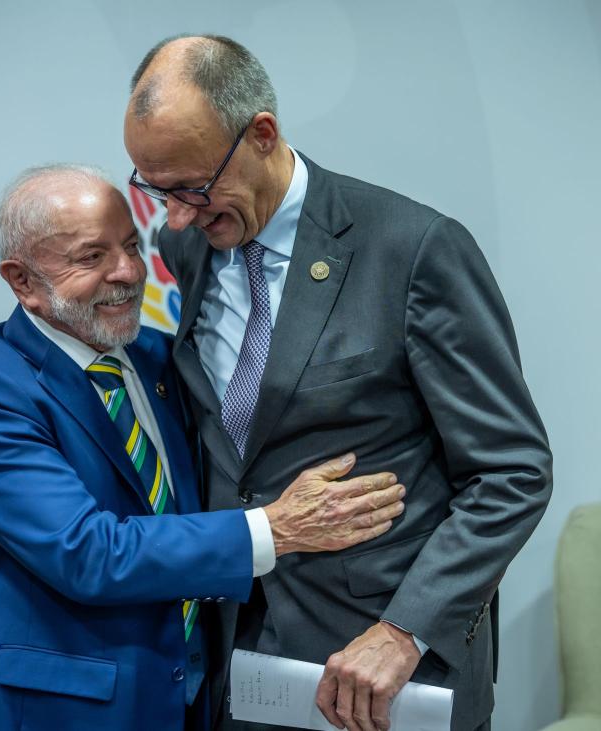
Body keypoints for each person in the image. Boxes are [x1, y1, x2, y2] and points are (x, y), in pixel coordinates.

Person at [123, 36, 554, 731]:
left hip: (384, 673)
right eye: (156, 190)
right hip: (239, 664)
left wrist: (406, 630)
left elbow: (513, 472)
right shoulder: (193, 244)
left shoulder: (411, 250)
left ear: (262, 134)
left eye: (192, 188)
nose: (174, 218)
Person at [0, 164, 407, 730]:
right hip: (48, 711)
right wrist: (276, 528)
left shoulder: (160, 357)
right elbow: (88, 553)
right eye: (91, 257)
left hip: (181, 698)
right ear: (22, 280)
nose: (127, 272)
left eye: (131, 245)